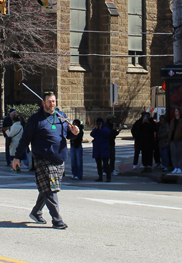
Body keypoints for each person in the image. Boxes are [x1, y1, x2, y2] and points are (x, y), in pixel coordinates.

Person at [13, 91, 78, 230]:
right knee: (50, 189)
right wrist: (17, 157)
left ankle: (36, 212)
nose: (51, 104)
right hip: (43, 160)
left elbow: (67, 135)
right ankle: (57, 220)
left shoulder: (61, 117)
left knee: (47, 188)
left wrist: (74, 133)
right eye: (49, 101)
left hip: (59, 159)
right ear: (43, 103)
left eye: (53, 101)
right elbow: (25, 140)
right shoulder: (35, 120)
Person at [91, 117, 111, 182]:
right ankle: (100, 176)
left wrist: (101, 129)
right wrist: (96, 128)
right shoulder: (96, 130)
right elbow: (92, 134)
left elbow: (107, 134)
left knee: (105, 165)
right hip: (97, 150)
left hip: (104, 149)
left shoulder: (105, 129)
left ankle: (108, 177)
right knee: (98, 165)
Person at [169, 108, 182, 173]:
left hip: (179, 139)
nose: (175, 112)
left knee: (180, 153)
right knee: (173, 154)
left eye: (177, 111)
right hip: (173, 139)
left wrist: (181, 135)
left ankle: (180, 167)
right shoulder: (172, 121)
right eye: (175, 111)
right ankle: (175, 166)